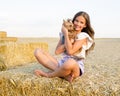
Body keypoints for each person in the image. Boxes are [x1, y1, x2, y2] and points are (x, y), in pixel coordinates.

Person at [34, 11, 95, 82]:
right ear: (73, 21)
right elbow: (57, 51)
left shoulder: (83, 36)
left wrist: (66, 35)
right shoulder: (63, 34)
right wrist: (67, 38)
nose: (78, 24)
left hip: (74, 67)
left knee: (70, 62)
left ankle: (48, 75)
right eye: (76, 21)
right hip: (62, 63)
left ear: (85, 25)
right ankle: (65, 75)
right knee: (38, 51)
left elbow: (70, 51)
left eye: (81, 22)